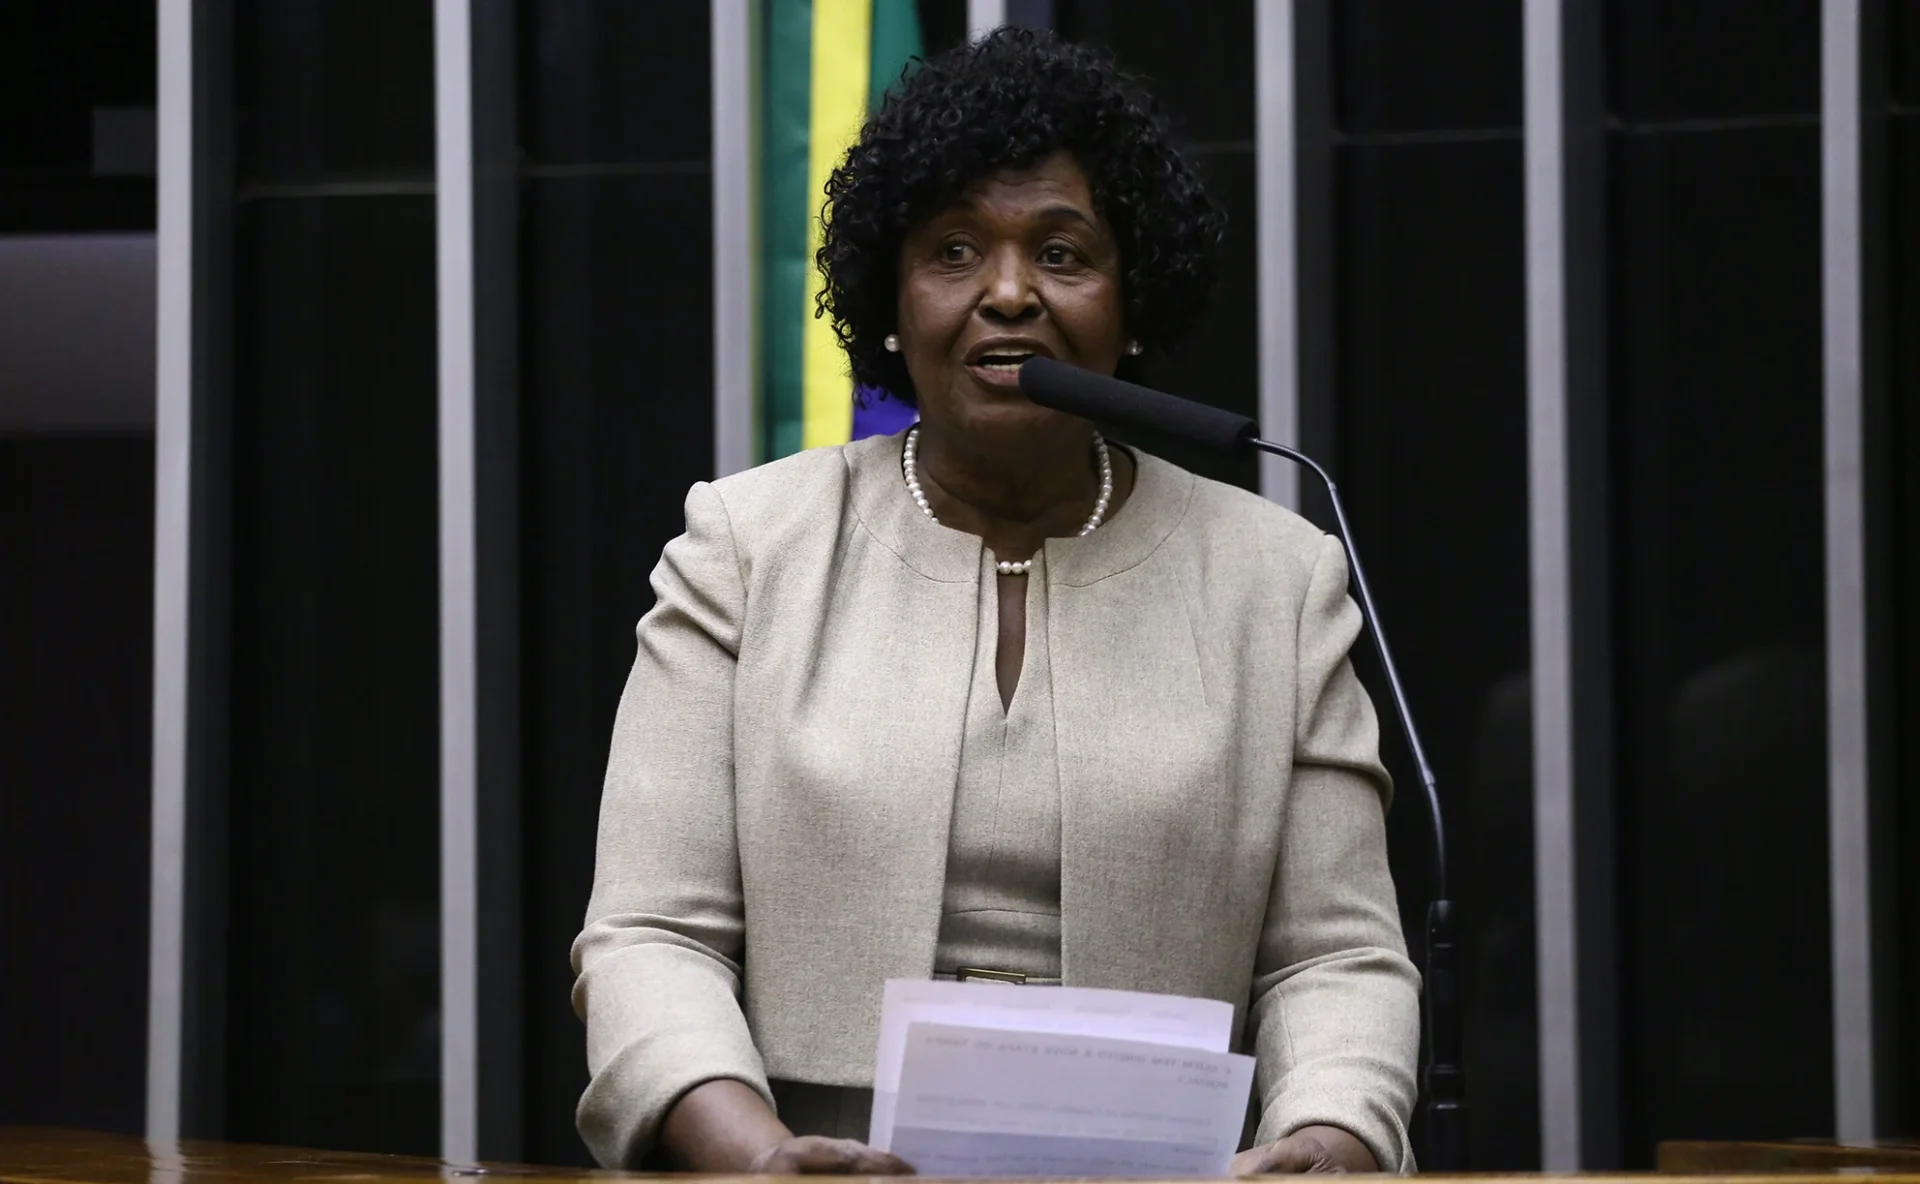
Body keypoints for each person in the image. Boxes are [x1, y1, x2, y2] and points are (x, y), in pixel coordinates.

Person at [572, 28, 1420, 1176]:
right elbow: (649, 934)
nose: (1009, 292)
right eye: (956, 249)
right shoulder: (747, 548)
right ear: (892, 298)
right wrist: (758, 1154)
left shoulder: (1275, 578)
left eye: (1063, 254)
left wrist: (1331, 1134)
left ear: (1131, 308)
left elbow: (1336, 958)